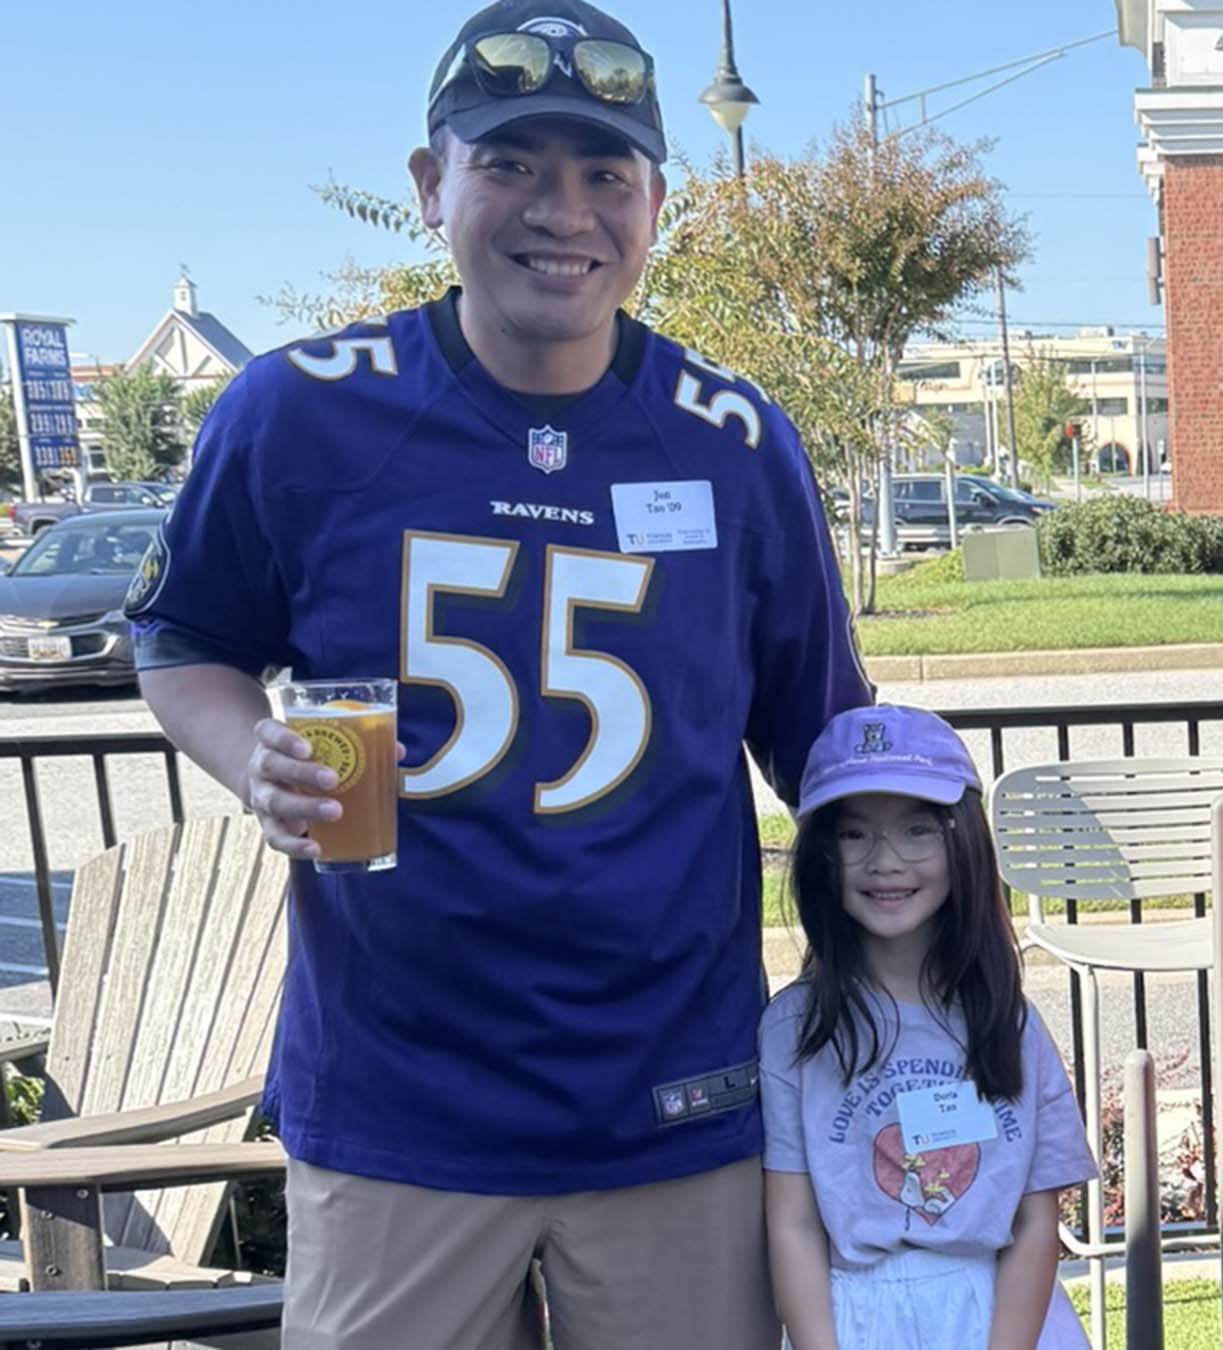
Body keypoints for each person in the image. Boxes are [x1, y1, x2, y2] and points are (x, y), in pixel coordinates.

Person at [128, 3, 871, 1345]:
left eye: (605, 172)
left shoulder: (737, 444)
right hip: (400, 1096)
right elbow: (182, 638)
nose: (562, 209)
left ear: (657, 205)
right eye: (513, 162)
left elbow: (828, 745)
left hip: (674, 1099)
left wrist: (929, 976)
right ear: (433, 185)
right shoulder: (300, 410)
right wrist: (252, 754)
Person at [760, 705, 1096, 1349]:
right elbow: (795, 1223)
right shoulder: (791, 1033)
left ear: (964, 841)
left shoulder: (1009, 1023)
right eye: (854, 835)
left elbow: (1034, 1221)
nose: (886, 861)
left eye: (919, 830)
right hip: (852, 1319)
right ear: (821, 855)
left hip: (1001, 1318)